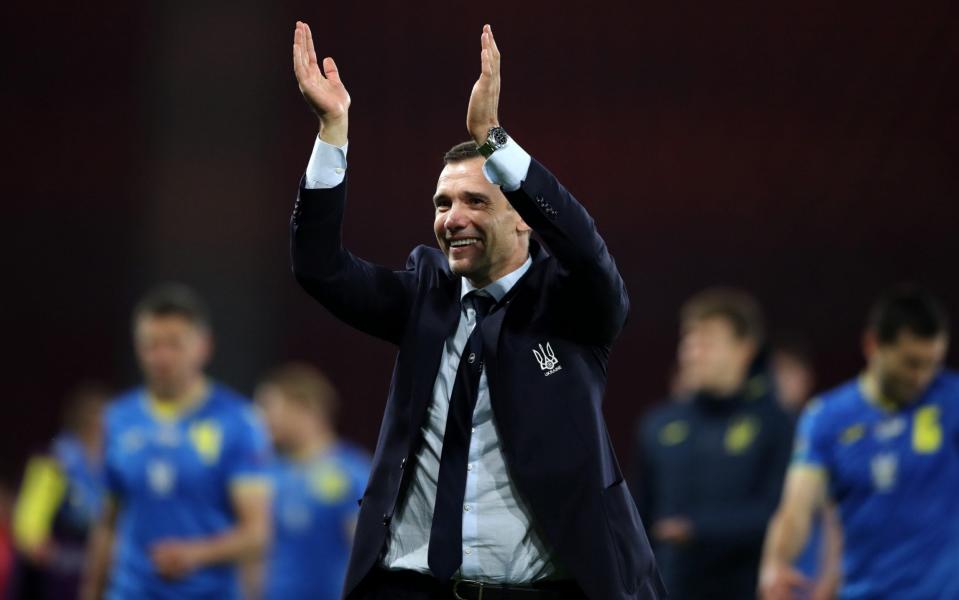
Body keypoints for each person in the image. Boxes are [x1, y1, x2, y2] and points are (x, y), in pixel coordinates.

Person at [290, 20, 665, 600]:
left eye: (474, 201)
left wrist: (494, 140)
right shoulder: (424, 295)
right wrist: (332, 132)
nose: (452, 217)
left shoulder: (570, 306)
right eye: (442, 203)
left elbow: (587, 253)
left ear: (522, 217)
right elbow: (320, 268)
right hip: (408, 585)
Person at [760, 286, 958, 600]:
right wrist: (776, 562)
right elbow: (796, 509)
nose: (922, 376)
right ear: (873, 344)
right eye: (910, 363)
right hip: (864, 593)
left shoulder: (952, 401)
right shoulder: (827, 417)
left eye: (932, 363)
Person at [81, 284, 272, 600]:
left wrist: (196, 554)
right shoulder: (118, 418)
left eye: (174, 344)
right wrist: (90, 590)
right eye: (151, 344)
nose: (161, 356)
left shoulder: (238, 421)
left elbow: (257, 534)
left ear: (204, 346)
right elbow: (107, 522)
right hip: (130, 592)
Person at [632, 288, 794, 599]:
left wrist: (696, 529)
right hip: (669, 589)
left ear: (744, 348)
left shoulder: (775, 423)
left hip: (743, 588)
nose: (692, 352)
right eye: (688, 340)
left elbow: (778, 514)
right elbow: (638, 516)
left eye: (707, 342)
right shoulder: (659, 424)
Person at [255, 362, 371, 600]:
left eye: (269, 408)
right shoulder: (265, 472)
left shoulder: (352, 472)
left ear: (304, 408)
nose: (261, 419)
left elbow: (365, 550)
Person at [11, 383, 108, 600]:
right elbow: (31, 511)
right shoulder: (55, 457)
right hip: (61, 564)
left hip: (100, 564)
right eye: (92, 415)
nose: (97, 422)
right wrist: (33, 537)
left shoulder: (115, 461)